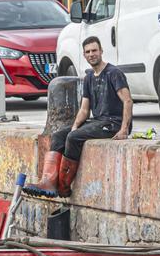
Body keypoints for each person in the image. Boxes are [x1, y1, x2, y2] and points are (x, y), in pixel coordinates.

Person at [25, 36, 132, 198]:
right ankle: (48, 181)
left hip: (113, 123)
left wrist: (124, 129)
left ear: (101, 51)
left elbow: (128, 101)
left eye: (94, 50)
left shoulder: (114, 73)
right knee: (60, 135)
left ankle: (63, 186)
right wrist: (74, 126)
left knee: (74, 138)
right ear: (84, 55)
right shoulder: (89, 77)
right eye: (88, 52)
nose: (91, 54)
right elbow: (84, 109)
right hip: (97, 122)